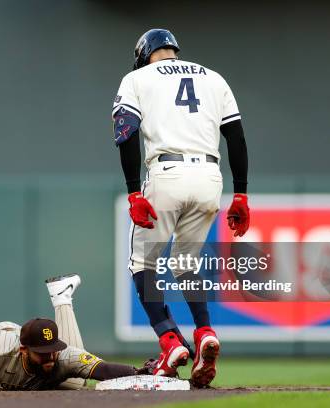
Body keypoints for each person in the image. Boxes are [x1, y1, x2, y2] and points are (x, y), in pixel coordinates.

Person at [111, 29, 250, 387]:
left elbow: (125, 133)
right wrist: (241, 194)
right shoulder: (213, 77)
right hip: (209, 177)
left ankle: (170, 341)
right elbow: (235, 137)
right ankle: (204, 331)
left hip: (167, 172)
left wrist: (132, 192)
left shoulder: (136, 78)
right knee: (186, 263)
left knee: (143, 263)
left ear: (145, 55)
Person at [0, 221, 146, 391]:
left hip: (24, 362)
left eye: (52, 350)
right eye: (43, 354)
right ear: (24, 350)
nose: (50, 358)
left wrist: (143, 373)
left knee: (78, 382)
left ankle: (62, 297)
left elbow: (104, 370)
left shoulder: (62, 355)